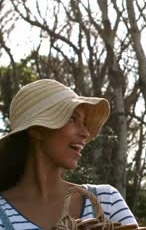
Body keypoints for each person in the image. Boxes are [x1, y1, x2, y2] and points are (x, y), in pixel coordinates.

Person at [0, 79, 137, 229]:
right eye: (72, 119)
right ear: (36, 130)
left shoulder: (106, 201)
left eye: (84, 122)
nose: (85, 133)